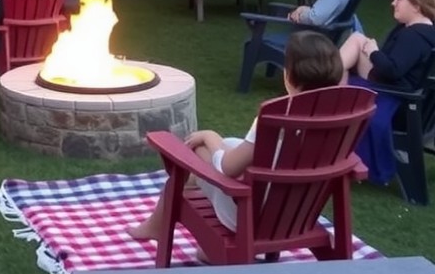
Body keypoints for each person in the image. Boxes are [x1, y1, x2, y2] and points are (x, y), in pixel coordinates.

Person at [129, 31, 344, 241]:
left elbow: (229, 168)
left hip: (250, 217)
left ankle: (163, 217)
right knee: (230, 143)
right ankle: (188, 209)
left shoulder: (277, 116)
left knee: (198, 152)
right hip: (297, 214)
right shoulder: (340, 114)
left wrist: (209, 136)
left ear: (288, 75)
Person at [338, 0, 435, 187]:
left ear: (416, 6)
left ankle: (318, 86)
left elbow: (392, 70)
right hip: (401, 94)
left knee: (355, 42)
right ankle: (324, 83)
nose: (393, 3)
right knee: (354, 45)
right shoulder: (423, 31)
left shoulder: (415, 36)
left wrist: (373, 51)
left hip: (392, 96)